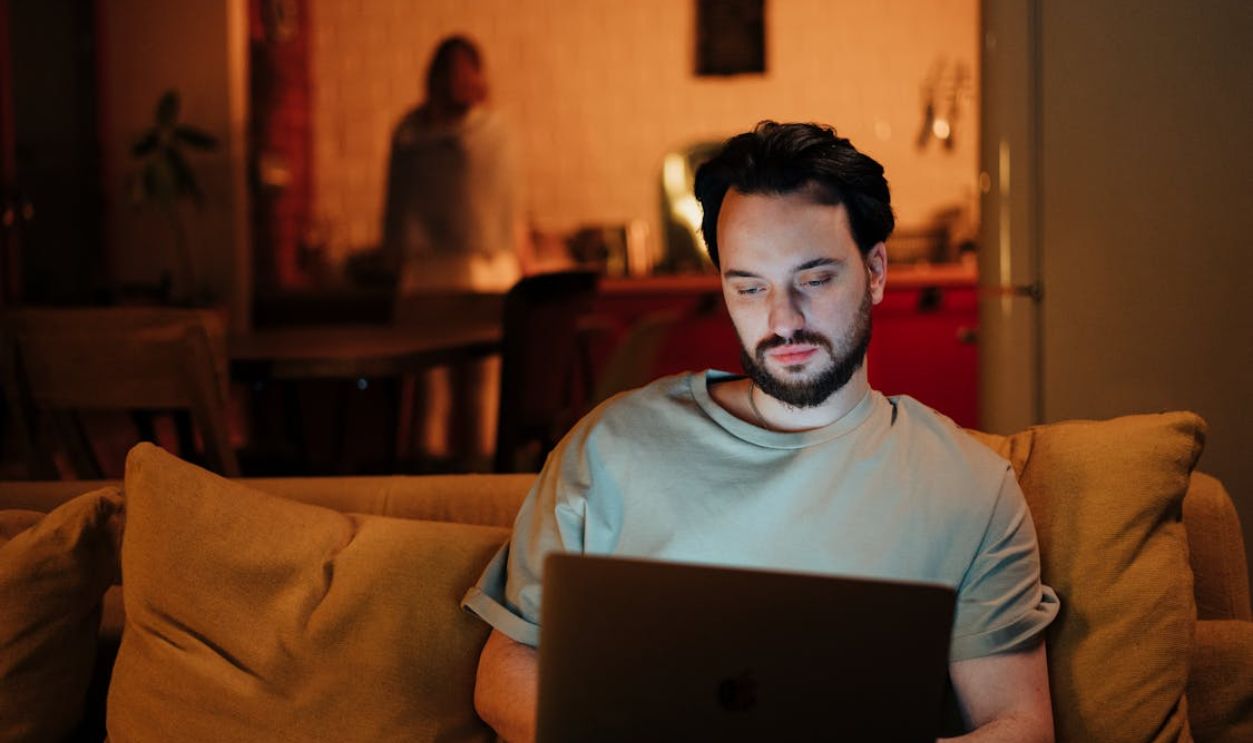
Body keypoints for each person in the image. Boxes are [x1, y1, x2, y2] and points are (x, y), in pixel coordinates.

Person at [461, 121, 1059, 742]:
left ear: (875, 270)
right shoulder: (610, 448)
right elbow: (506, 669)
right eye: (749, 287)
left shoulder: (967, 487)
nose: (783, 319)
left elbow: (1019, 725)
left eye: (815, 280)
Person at [382, 35, 530, 465]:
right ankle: (483, 476)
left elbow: (395, 213)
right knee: (484, 388)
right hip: (485, 273)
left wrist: (393, 263)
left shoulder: (408, 135)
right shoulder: (494, 133)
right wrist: (526, 264)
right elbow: (511, 213)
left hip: (426, 277)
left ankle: (432, 479)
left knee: (433, 390)